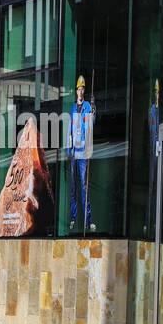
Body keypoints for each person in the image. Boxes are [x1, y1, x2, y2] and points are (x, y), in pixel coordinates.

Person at [67, 74, 94, 233]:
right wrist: (67, 150)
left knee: (83, 185)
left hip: (83, 152)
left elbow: (90, 126)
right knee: (73, 187)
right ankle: (73, 217)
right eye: (79, 89)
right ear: (76, 91)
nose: (81, 91)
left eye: (83, 89)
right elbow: (69, 130)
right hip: (73, 152)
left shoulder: (87, 107)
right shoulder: (72, 108)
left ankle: (87, 219)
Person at [144, 78, 160, 235]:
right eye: (155, 92)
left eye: (158, 93)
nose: (157, 95)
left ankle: (155, 221)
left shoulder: (160, 111)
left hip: (159, 151)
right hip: (152, 150)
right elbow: (151, 128)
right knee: (150, 186)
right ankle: (148, 220)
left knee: (157, 188)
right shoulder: (152, 110)